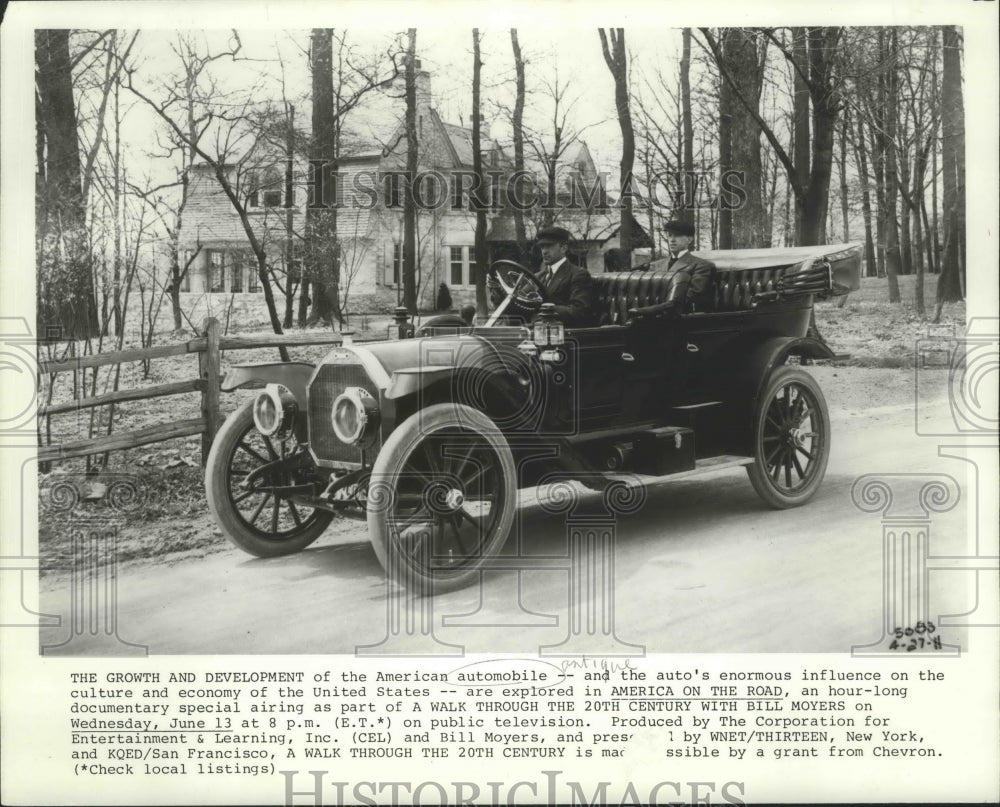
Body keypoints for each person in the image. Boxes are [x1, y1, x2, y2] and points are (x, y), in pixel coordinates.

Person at [490, 225, 596, 327]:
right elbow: (519, 306)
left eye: (549, 246)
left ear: (563, 248)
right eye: (542, 246)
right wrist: (497, 291)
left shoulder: (578, 274)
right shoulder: (538, 277)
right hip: (535, 331)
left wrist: (544, 309)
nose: (544, 251)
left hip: (561, 334)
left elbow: (579, 311)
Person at [662, 220, 715, 312]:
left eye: (677, 235)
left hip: (680, 316)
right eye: (669, 235)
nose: (672, 239)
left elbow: (690, 297)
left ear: (689, 239)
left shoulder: (702, 266)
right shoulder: (655, 265)